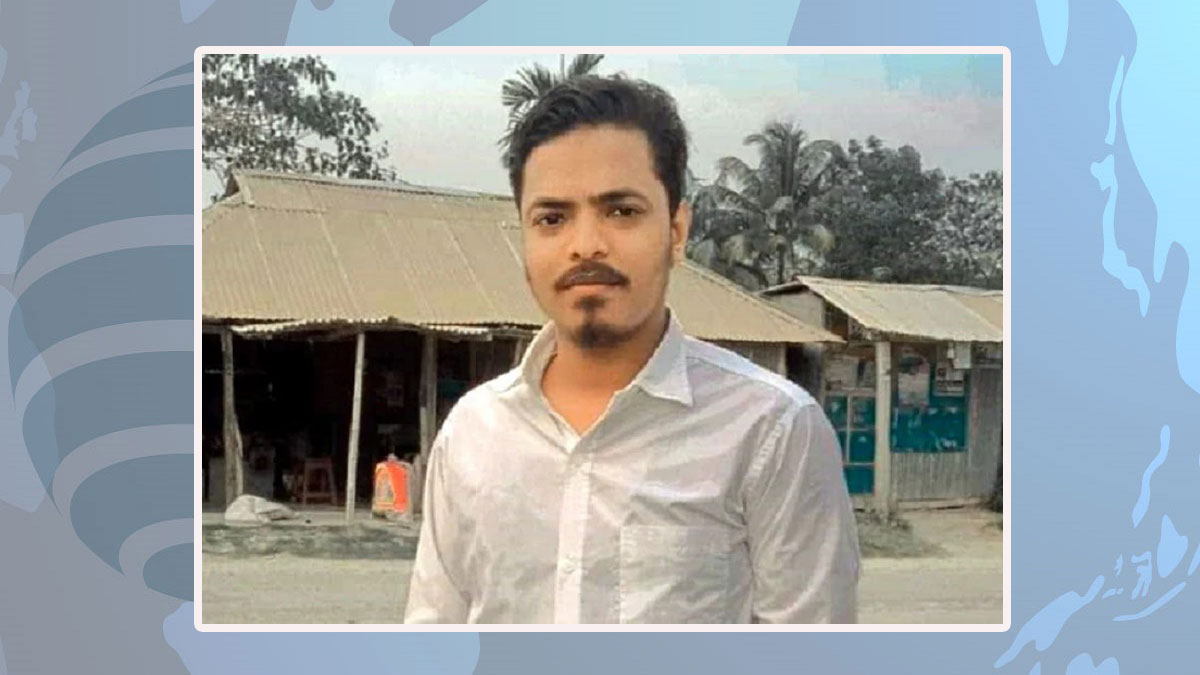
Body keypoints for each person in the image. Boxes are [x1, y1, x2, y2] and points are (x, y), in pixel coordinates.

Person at [405, 75, 859, 624]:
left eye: (621, 211)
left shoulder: (771, 430)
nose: (585, 245)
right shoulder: (473, 431)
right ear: (524, 237)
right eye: (552, 219)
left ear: (677, 231)